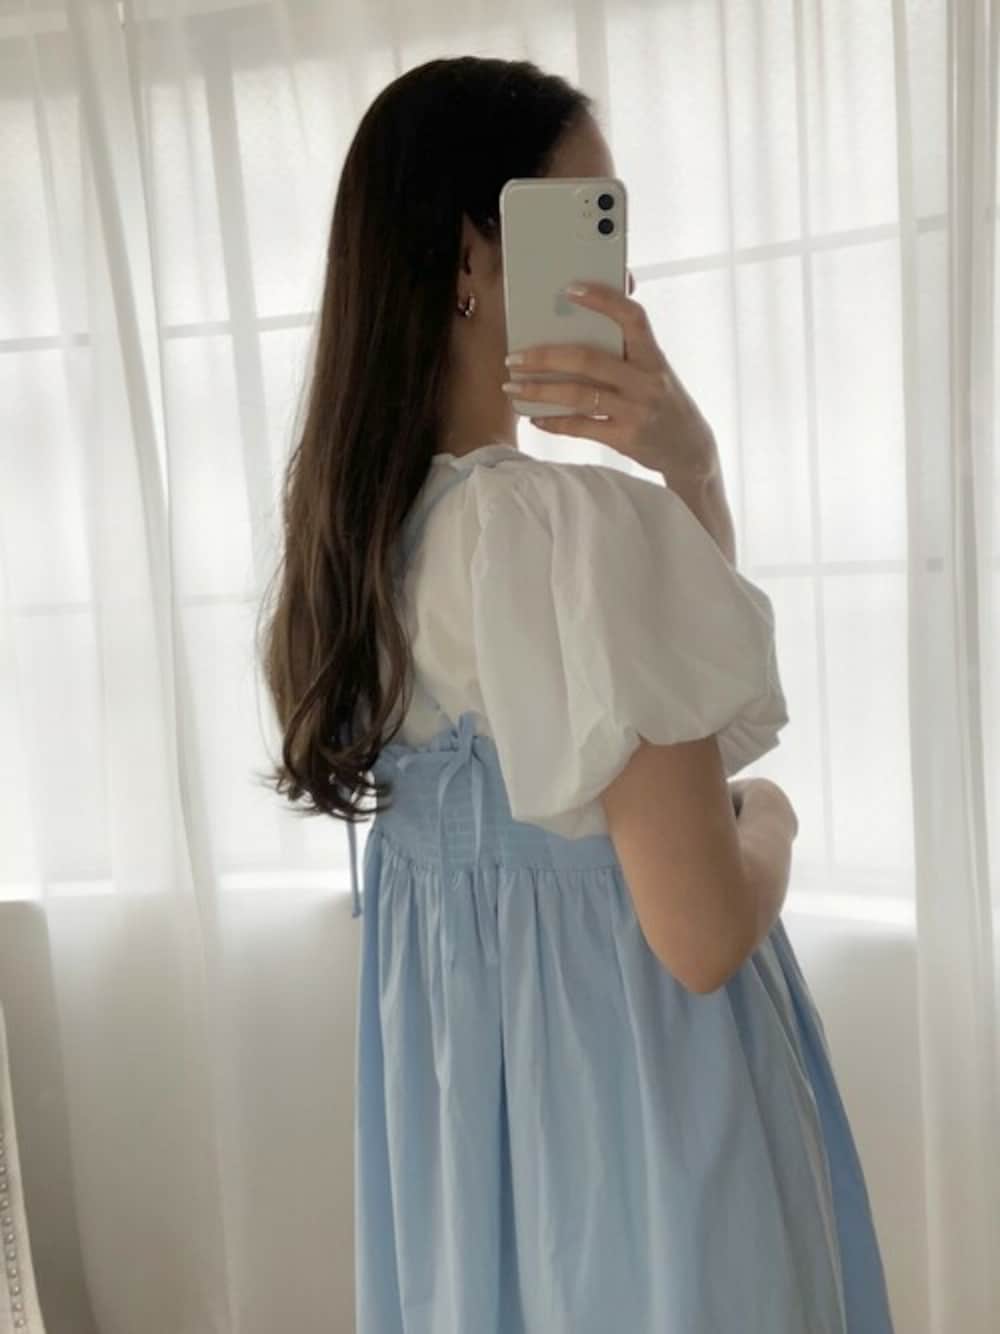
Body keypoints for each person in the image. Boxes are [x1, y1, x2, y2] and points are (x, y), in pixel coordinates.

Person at [257, 55, 896, 1334]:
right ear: (472, 256)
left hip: (480, 1166)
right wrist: (769, 818)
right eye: (590, 219)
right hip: (647, 1134)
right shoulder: (572, 534)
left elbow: (649, 696)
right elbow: (701, 930)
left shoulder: (363, 550)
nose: (625, 273)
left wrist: (688, 474)